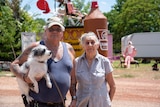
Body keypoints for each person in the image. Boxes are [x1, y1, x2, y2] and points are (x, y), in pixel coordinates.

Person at [10, 16, 76, 107]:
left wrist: (74, 98)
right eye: (51, 29)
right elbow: (14, 64)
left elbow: (73, 79)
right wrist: (24, 77)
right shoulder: (36, 47)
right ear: (45, 31)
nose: (55, 32)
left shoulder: (69, 49)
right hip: (38, 104)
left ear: (62, 32)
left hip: (60, 104)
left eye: (58, 29)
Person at [69, 32, 116, 107]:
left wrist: (107, 103)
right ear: (83, 46)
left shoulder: (105, 62)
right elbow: (73, 84)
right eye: (87, 43)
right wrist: (74, 99)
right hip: (82, 103)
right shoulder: (77, 62)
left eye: (92, 42)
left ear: (97, 45)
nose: (90, 45)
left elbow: (113, 86)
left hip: (100, 104)